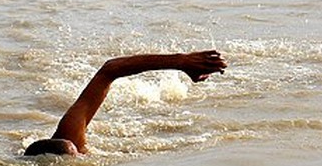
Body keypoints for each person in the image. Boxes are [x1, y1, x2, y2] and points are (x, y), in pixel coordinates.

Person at [23, 50, 227, 156]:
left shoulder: (69, 132)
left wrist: (181, 61)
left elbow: (109, 70)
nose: (83, 157)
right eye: (77, 155)